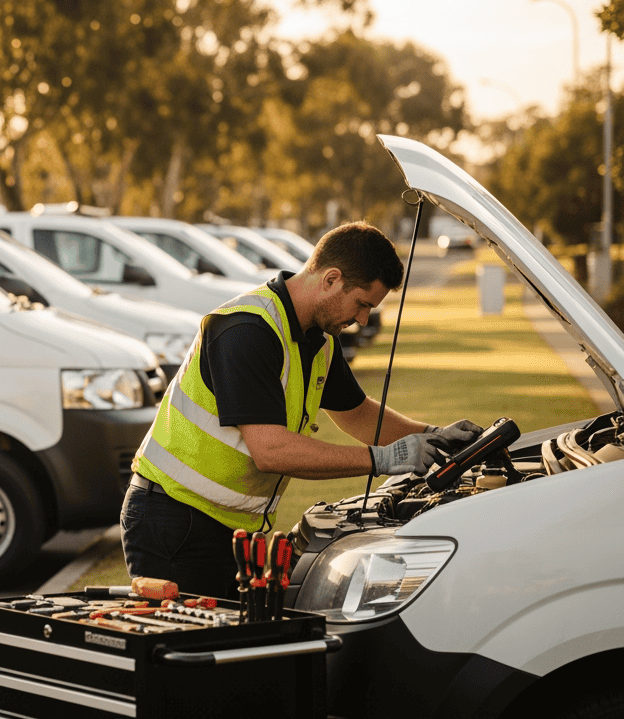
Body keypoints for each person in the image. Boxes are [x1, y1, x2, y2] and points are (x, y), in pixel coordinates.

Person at [120, 221, 481, 598]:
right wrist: (381, 459)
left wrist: (432, 436)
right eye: (361, 304)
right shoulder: (247, 330)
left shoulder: (319, 341)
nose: (362, 320)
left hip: (226, 526)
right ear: (330, 279)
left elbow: (357, 414)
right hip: (172, 520)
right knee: (192, 650)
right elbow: (270, 450)